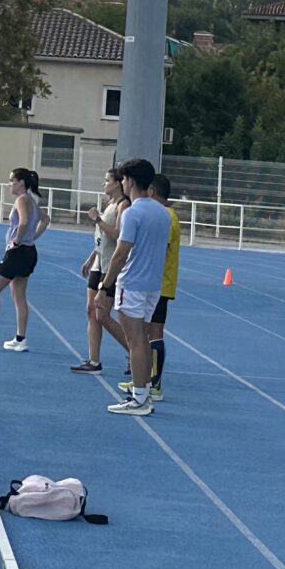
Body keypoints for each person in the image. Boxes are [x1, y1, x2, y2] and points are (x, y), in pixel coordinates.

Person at [98, 158, 171, 416]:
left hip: (132, 283)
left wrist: (105, 286)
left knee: (135, 341)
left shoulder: (132, 213)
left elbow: (120, 253)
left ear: (129, 181)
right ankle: (143, 393)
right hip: (153, 285)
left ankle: (140, 399)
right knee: (142, 340)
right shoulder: (163, 213)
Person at [0, 168, 48, 352]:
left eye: (12, 180)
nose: (9, 184)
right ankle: (20, 339)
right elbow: (45, 219)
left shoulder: (21, 200)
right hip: (29, 252)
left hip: (18, 253)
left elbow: (24, 221)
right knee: (18, 295)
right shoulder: (31, 200)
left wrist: (17, 241)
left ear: (21, 182)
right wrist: (32, 238)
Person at [121, 172, 179, 403]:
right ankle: (143, 380)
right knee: (143, 336)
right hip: (156, 281)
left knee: (152, 335)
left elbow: (157, 247)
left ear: (152, 192)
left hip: (157, 282)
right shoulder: (164, 214)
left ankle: (153, 383)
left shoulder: (165, 216)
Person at [71, 167, 131, 375]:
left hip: (111, 266)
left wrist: (98, 220)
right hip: (99, 263)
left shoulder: (123, 205)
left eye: (107, 180)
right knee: (91, 311)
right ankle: (94, 360)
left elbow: (117, 235)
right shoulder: (109, 204)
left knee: (102, 314)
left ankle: (135, 352)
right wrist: (91, 258)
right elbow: (102, 239)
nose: (103, 184)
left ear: (117, 183)